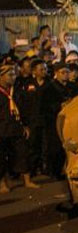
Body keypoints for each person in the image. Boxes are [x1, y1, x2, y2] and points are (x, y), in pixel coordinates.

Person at [0, 64, 38, 192]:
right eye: (10, 75)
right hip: (2, 129)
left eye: (14, 74)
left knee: (23, 154)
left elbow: (24, 110)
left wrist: (26, 126)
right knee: (1, 158)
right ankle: (3, 184)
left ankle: (27, 180)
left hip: (17, 127)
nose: (13, 77)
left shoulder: (17, 92)